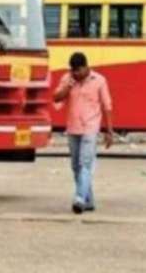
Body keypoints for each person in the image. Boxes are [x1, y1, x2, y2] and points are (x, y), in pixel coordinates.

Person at [54, 52, 113, 214]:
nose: (76, 74)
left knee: (85, 164)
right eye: (74, 71)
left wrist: (109, 130)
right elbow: (56, 98)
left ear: (87, 67)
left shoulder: (99, 80)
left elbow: (107, 106)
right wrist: (68, 86)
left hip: (90, 128)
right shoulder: (67, 79)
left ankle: (79, 198)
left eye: (79, 70)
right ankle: (89, 200)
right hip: (73, 128)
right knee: (75, 166)